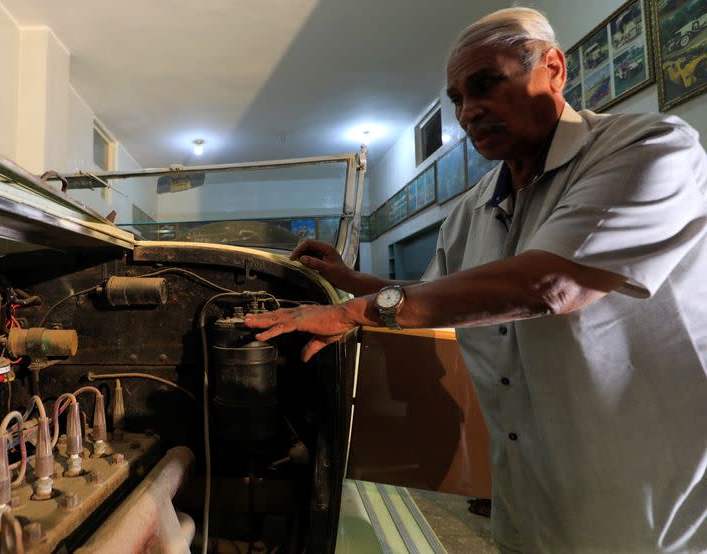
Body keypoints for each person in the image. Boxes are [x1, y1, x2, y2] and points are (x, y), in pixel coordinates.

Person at [245, 6, 707, 553]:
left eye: (486, 85)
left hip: (646, 508)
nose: (468, 111)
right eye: (458, 100)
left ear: (554, 69)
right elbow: (428, 302)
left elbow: (550, 283)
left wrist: (351, 312)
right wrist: (343, 280)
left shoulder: (647, 148)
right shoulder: (469, 212)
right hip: (526, 501)